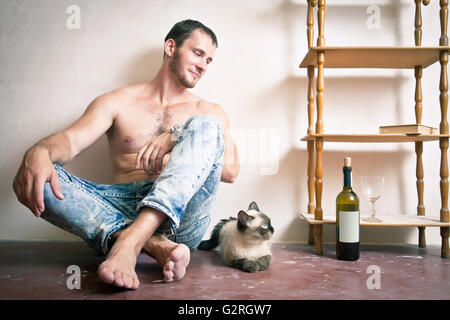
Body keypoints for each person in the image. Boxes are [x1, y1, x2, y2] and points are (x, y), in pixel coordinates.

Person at [12, 19, 240, 290]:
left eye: (209, 60)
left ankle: (129, 243)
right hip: (121, 205)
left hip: (182, 219)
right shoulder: (117, 101)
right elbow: (69, 142)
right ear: (171, 47)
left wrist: (177, 136)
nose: (203, 65)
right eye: (198, 53)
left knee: (205, 125)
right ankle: (152, 244)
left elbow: (229, 171)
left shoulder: (210, 111)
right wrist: (39, 151)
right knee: (32, 176)